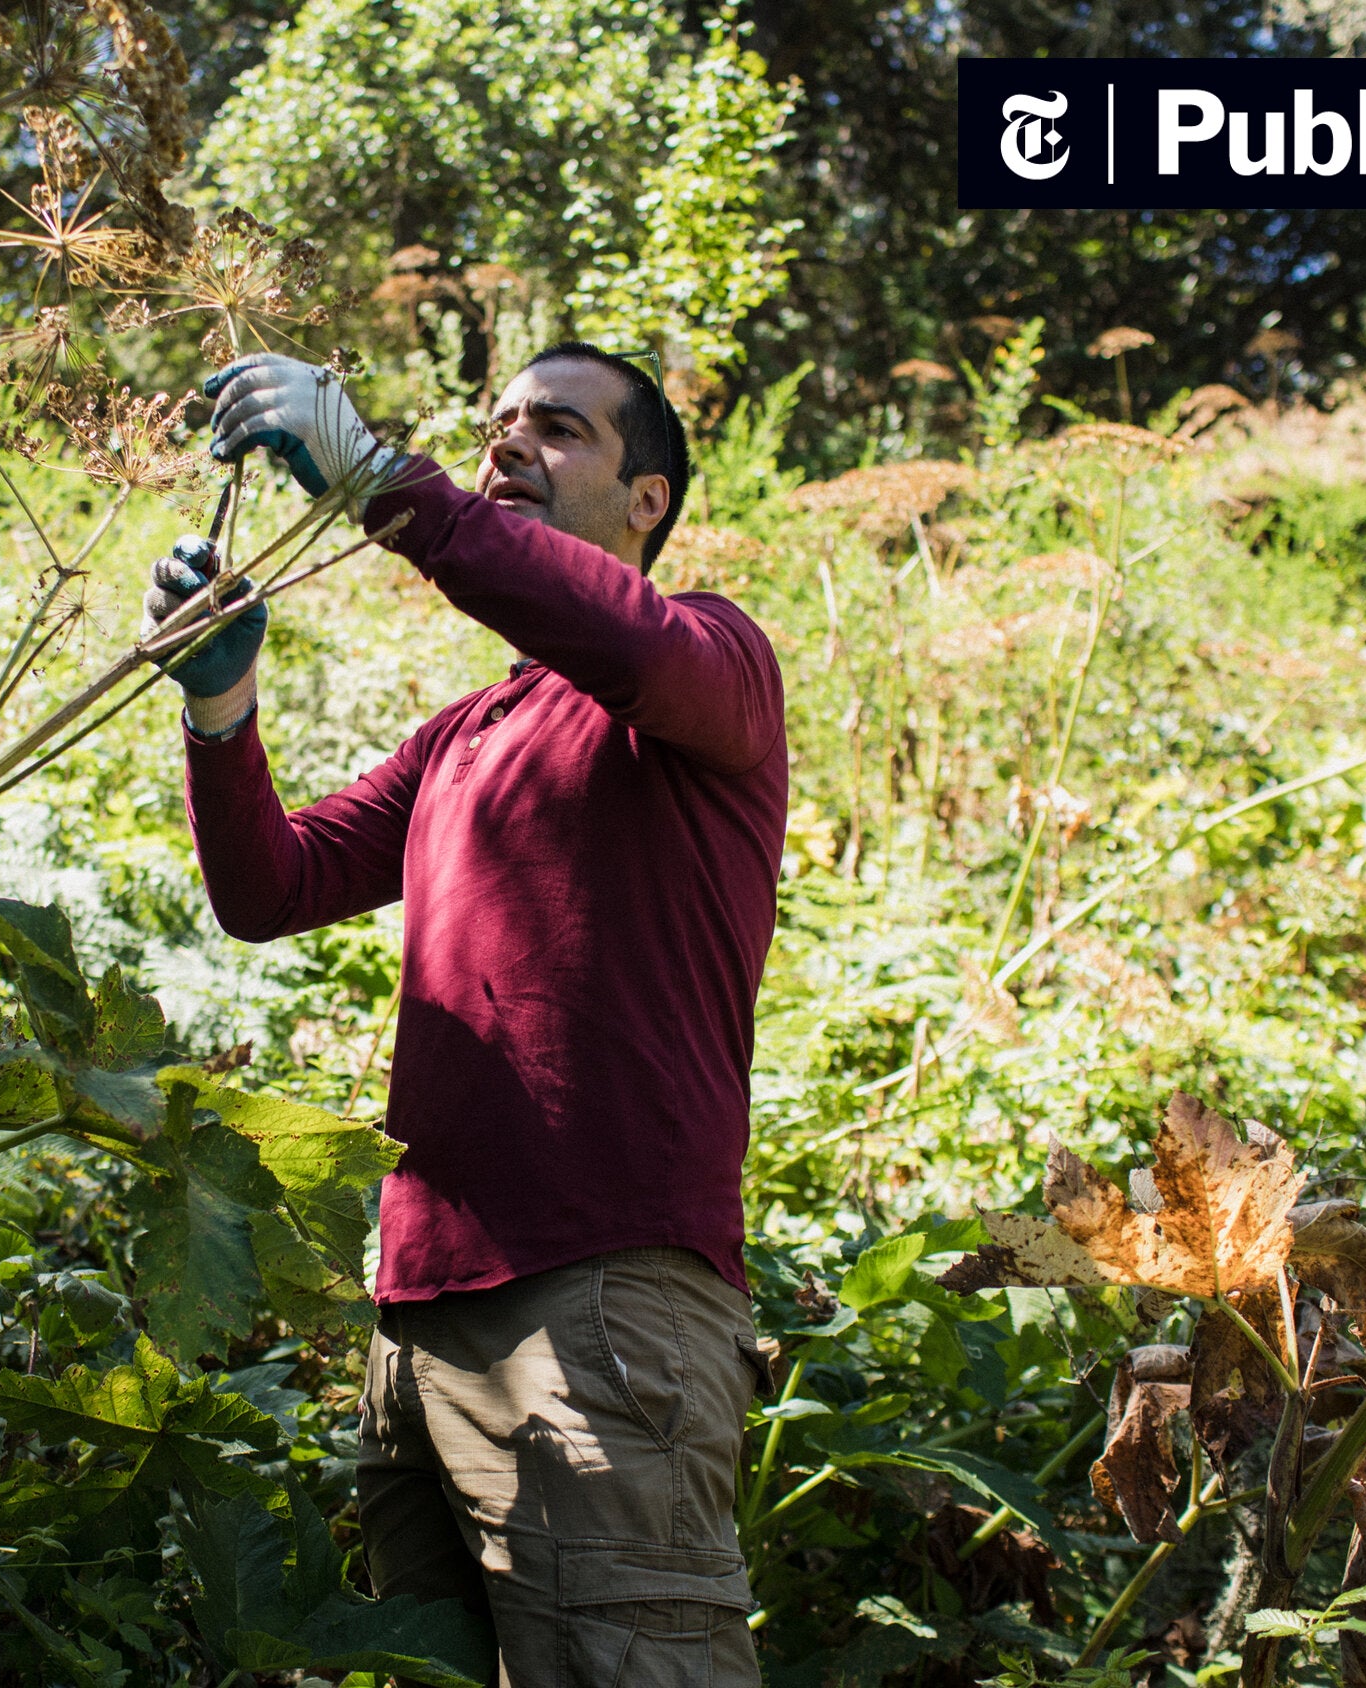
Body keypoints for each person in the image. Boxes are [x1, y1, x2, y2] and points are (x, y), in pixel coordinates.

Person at [147, 344, 787, 1686]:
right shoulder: (463, 739)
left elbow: (625, 640)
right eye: (496, 427)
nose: (507, 448)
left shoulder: (711, 665)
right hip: (417, 1320)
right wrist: (220, 707)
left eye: (559, 431)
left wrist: (387, 482)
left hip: (602, 1302)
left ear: (648, 502)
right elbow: (273, 886)